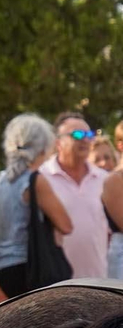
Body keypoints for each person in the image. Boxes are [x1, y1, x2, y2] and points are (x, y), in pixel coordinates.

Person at [0, 114, 74, 298]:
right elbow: (66, 225)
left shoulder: (1, 179)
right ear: (43, 147)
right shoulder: (35, 180)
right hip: (31, 266)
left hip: (2, 267)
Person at [39, 112, 110, 280]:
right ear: (58, 143)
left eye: (89, 134)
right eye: (77, 134)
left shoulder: (103, 179)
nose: (85, 140)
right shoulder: (42, 178)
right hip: (57, 284)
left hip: (98, 282)